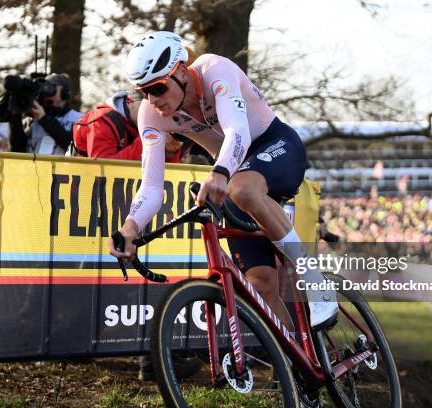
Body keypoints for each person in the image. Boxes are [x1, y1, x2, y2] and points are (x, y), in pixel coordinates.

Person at [108, 31, 336, 406]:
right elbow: (150, 187)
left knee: (242, 190)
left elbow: (238, 133)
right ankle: (302, 368)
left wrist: (218, 173)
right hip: (232, 172)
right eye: (143, 92)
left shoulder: (215, 69)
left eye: (159, 87)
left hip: (274, 147)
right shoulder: (152, 114)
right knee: (261, 285)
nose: (153, 100)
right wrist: (131, 226)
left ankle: (315, 280)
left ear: (181, 71)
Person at [73, 90, 201, 381]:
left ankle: (153, 357)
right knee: (86, 285)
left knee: (146, 281)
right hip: (91, 217)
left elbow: (164, 173)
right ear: (133, 101)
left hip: (135, 211)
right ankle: (69, 342)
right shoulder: (101, 121)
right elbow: (103, 168)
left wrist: (169, 148)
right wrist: (148, 145)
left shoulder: (159, 120)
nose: (157, 115)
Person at [9, 73, 82, 155]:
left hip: (62, 167)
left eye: (50, 89)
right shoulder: (32, 122)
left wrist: (44, 119)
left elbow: (71, 145)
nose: (46, 95)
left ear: (64, 93)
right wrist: (16, 118)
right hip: (34, 167)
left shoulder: (78, 119)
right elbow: (17, 151)